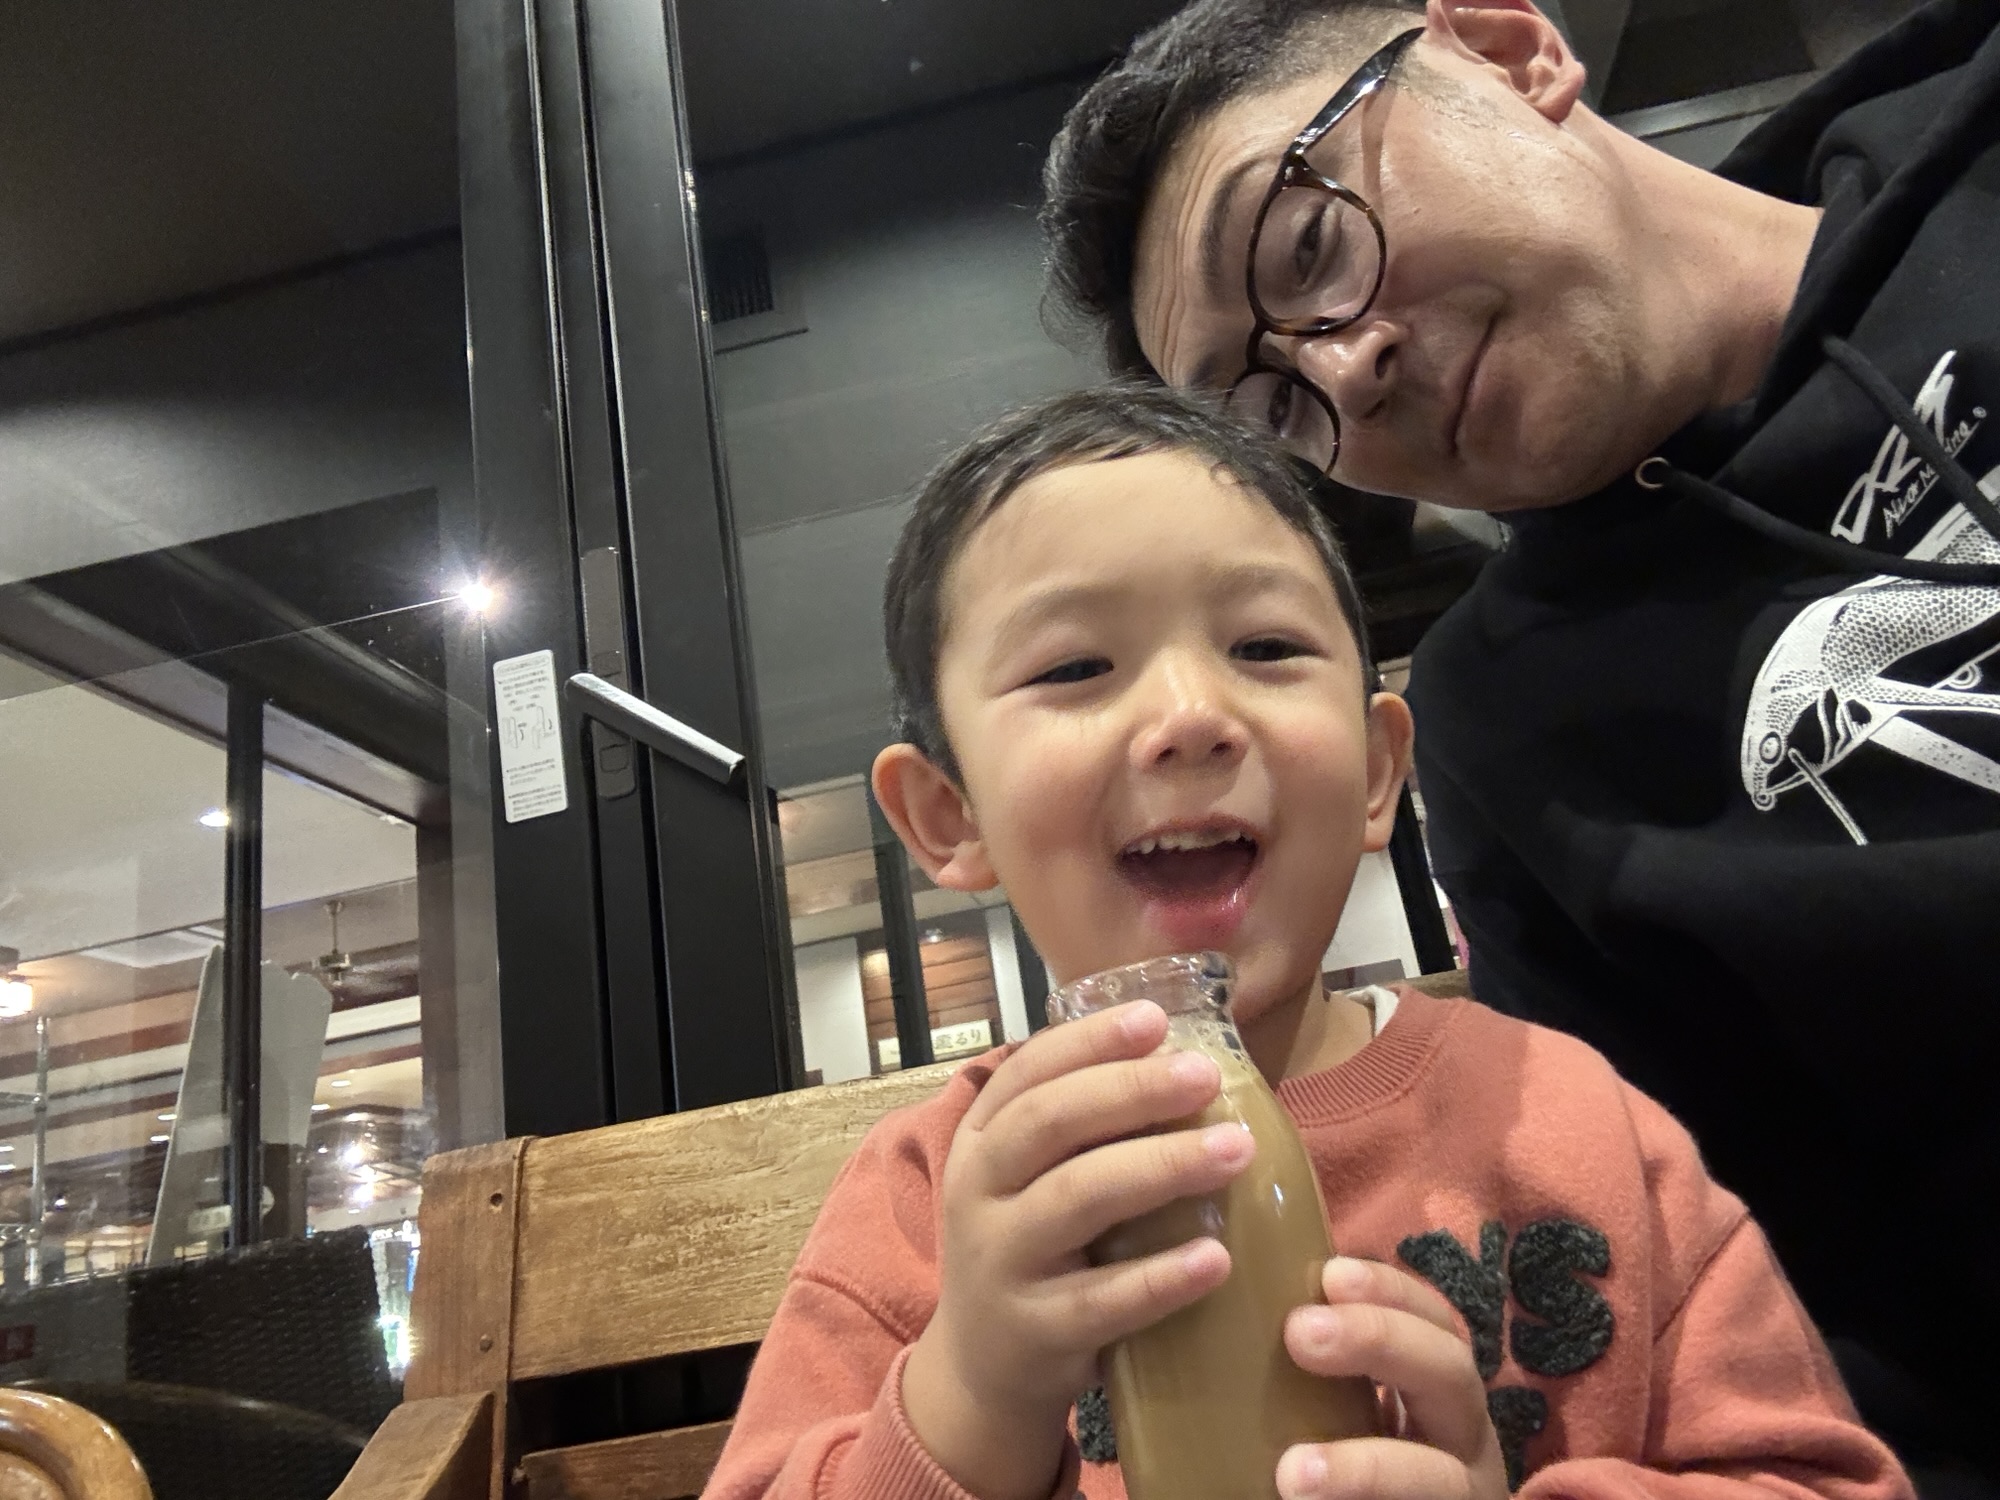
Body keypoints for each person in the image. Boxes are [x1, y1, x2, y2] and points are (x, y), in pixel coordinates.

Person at [1038, 0, 2000, 1477]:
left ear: (1504, 51)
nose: (1341, 377)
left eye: (1311, 246)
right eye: (1271, 400)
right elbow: (1781, 1314)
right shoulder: (1511, 734)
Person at [701, 384, 1906, 1500]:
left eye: (1264, 648)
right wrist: (969, 1396)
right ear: (948, 817)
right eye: (1073, 665)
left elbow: (1822, 1478)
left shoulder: (1570, 1122)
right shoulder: (931, 1200)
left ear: (1378, 772)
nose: (1189, 718)